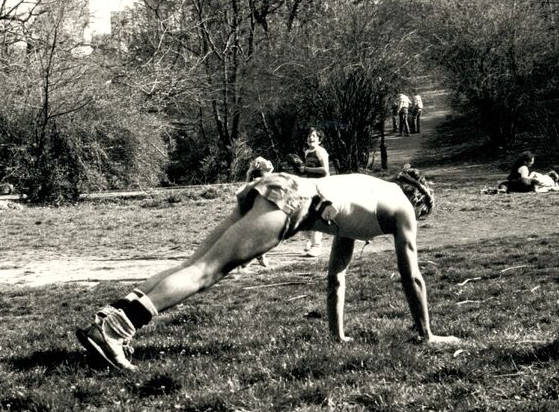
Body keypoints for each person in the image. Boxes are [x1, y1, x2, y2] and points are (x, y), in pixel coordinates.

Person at [76, 165, 458, 373]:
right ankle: (114, 330)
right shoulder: (403, 209)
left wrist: (337, 336)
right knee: (206, 272)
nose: (417, 221)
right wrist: (427, 334)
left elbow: (336, 276)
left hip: (279, 184)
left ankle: (108, 321)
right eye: (422, 214)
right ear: (419, 201)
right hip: (293, 202)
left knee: (193, 264)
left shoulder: (370, 192)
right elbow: (413, 276)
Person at [299, 130, 330, 255]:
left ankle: (316, 246)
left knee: (317, 215)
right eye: (309, 135)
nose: (311, 138)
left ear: (319, 139)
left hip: (322, 187)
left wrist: (305, 169)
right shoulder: (307, 152)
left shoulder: (320, 151)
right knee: (305, 215)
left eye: (314, 136)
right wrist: (300, 170)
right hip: (310, 187)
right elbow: (308, 171)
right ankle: (311, 241)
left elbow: (325, 170)